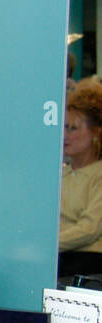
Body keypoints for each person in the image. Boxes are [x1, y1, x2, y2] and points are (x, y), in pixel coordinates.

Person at [58, 81, 102, 281]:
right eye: (64, 127)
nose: (65, 135)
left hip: (88, 265)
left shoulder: (98, 175)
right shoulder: (61, 175)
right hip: (58, 258)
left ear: (95, 133)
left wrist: (49, 243)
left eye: (73, 128)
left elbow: (89, 229)